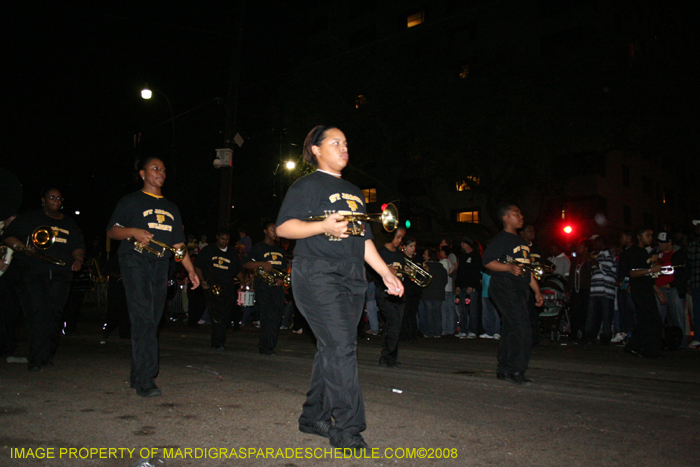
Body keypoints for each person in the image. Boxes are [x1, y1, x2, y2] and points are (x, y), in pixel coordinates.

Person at [275, 125, 404, 452]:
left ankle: (312, 417)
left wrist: (385, 273)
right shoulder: (306, 185)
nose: (344, 148)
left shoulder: (355, 191)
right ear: (316, 150)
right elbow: (284, 228)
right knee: (341, 348)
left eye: (346, 143)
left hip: (351, 275)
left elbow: (364, 241)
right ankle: (347, 428)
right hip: (317, 272)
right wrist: (322, 225)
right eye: (335, 143)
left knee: (335, 346)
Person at [106, 156, 200, 397]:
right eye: (155, 168)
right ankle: (147, 377)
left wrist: (190, 270)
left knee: (153, 319)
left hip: (160, 265)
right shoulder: (130, 201)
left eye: (163, 169)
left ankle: (139, 375)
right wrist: (133, 232)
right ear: (142, 174)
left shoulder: (171, 208)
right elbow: (112, 231)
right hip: (135, 261)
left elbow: (178, 245)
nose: (161, 172)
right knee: (143, 317)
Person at [3, 188, 85, 371]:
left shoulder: (69, 223)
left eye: (59, 198)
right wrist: (21, 247)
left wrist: (78, 259)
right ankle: (37, 358)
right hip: (34, 273)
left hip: (61, 274)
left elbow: (78, 246)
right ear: (43, 200)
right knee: (39, 313)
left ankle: (47, 356)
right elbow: (8, 236)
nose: (56, 200)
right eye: (52, 197)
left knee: (54, 315)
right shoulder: (31, 218)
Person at [483, 203, 543, 386]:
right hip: (504, 286)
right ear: (506, 218)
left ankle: (504, 369)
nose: (521, 216)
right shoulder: (501, 239)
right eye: (516, 213)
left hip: (519, 289)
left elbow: (527, 270)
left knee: (510, 328)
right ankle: (517, 370)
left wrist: (537, 291)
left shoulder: (522, 242)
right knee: (523, 327)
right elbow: (487, 262)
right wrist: (509, 268)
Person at [242, 220, 287, 355]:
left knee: (277, 316)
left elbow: (284, 268)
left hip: (277, 287)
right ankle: (266, 347)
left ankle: (268, 344)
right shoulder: (258, 248)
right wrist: (261, 264)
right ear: (265, 231)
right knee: (267, 316)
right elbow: (246, 264)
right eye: (272, 229)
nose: (275, 232)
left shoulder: (280, 250)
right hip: (264, 287)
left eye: (276, 230)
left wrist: (282, 279)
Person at [195, 228, 244, 350]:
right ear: (217, 237)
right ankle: (218, 342)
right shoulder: (208, 250)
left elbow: (237, 270)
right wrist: (202, 281)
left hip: (227, 287)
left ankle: (218, 340)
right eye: (222, 239)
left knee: (225, 314)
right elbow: (198, 266)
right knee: (216, 314)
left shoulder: (232, 252)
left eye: (227, 239)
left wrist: (243, 283)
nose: (225, 242)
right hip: (213, 286)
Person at [624, 227, 663, 358]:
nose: (650, 238)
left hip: (646, 288)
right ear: (639, 237)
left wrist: (657, 291)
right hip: (640, 290)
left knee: (645, 320)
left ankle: (634, 346)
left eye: (651, 236)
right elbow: (632, 273)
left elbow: (651, 275)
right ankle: (648, 349)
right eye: (647, 235)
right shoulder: (635, 252)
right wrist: (651, 270)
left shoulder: (645, 253)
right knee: (652, 319)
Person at [374, 226, 407, 367]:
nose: (400, 240)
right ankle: (387, 357)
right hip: (385, 293)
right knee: (393, 323)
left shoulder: (400, 254)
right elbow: (371, 274)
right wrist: (386, 270)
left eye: (402, 238)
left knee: (395, 325)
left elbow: (404, 272)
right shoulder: (380, 253)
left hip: (399, 294)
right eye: (398, 237)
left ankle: (390, 357)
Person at [584, 235, 617, 344]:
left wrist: (592, 260)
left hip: (606, 291)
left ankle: (606, 337)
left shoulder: (609, 253)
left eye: (595, 242)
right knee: (592, 315)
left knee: (606, 316)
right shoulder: (595, 255)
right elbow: (591, 270)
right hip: (595, 290)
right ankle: (590, 336)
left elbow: (605, 269)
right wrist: (589, 261)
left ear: (600, 242)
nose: (593, 245)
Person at [455, 236, 481, 339]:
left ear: (467, 244)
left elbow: (476, 272)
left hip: (471, 287)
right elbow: (460, 272)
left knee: (472, 309)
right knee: (462, 310)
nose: (461, 245)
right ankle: (463, 330)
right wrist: (457, 285)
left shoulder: (476, 256)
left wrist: (472, 285)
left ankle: (472, 330)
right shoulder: (462, 257)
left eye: (462, 243)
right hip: (462, 286)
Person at [418, 248, 448, 338]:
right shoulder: (441, 268)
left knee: (428, 313)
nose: (424, 256)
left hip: (427, 293)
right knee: (437, 313)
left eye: (426, 254)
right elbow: (444, 281)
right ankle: (438, 332)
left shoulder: (425, 267)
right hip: (438, 294)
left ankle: (429, 332)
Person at [400, 237, 422, 342]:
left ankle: (412, 335)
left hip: (415, 290)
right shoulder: (401, 258)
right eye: (410, 246)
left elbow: (422, 275)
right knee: (404, 312)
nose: (413, 249)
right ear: (404, 247)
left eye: (414, 246)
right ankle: (405, 335)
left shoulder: (417, 258)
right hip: (405, 288)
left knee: (412, 313)